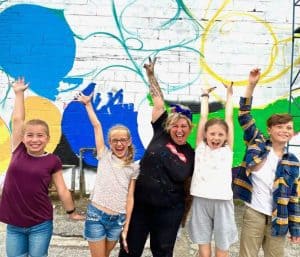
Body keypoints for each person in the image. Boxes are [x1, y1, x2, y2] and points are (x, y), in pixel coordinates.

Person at [118, 57, 195, 257]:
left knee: (162, 252)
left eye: (183, 126)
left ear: (190, 129)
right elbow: (159, 102)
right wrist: (151, 75)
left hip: (169, 211)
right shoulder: (161, 132)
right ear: (170, 126)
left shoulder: (191, 153)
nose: (179, 130)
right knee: (129, 250)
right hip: (140, 206)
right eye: (176, 125)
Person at [0, 78, 84, 257]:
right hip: (14, 224)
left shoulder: (52, 161)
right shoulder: (18, 150)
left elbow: (61, 189)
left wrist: (72, 212)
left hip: (40, 223)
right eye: (29, 135)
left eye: (40, 136)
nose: (34, 139)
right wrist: (19, 94)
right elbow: (18, 120)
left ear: (47, 138)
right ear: (23, 138)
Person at [233, 68, 300, 257]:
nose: (285, 131)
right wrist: (251, 85)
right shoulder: (258, 142)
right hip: (254, 213)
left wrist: (296, 230)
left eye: (288, 128)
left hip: (278, 217)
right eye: (279, 127)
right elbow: (244, 115)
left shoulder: (292, 162)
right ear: (269, 130)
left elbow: (293, 197)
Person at [77, 91, 139, 257]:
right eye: (115, 140)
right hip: (96, 215)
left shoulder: (134, 167)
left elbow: (130, 197)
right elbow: (97, 126)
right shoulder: (104, 155)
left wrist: (126, 225)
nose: (119, 144)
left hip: (118, 220)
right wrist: (88, 104)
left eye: (122, 140)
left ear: (129, 141)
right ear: (109, 142)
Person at [188, 83, 238, 257]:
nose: (216, 137)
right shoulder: (201, 148)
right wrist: (204, 96)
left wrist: (229, 94)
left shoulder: (227, 151)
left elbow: (229, 118)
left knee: (222, 244)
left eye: (220, 134)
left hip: (222, 201)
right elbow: (203, 118)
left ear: (225, 137)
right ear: (205, 135)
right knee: (203, 243)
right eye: (212, 134)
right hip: (201, 200)